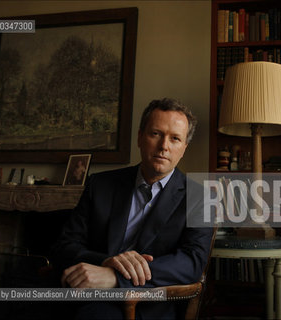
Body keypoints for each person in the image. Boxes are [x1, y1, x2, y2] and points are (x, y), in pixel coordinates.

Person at [51, 98, 214, 319]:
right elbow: (65, 246)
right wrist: (104, 262)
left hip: (148, 304)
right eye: (156, 134)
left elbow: (192, 262)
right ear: (140, 137)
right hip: (86, 294)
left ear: (184, 148)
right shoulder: (100, 185)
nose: (164, 146)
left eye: (175, 139)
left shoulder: (200, 197)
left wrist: (117, 277)